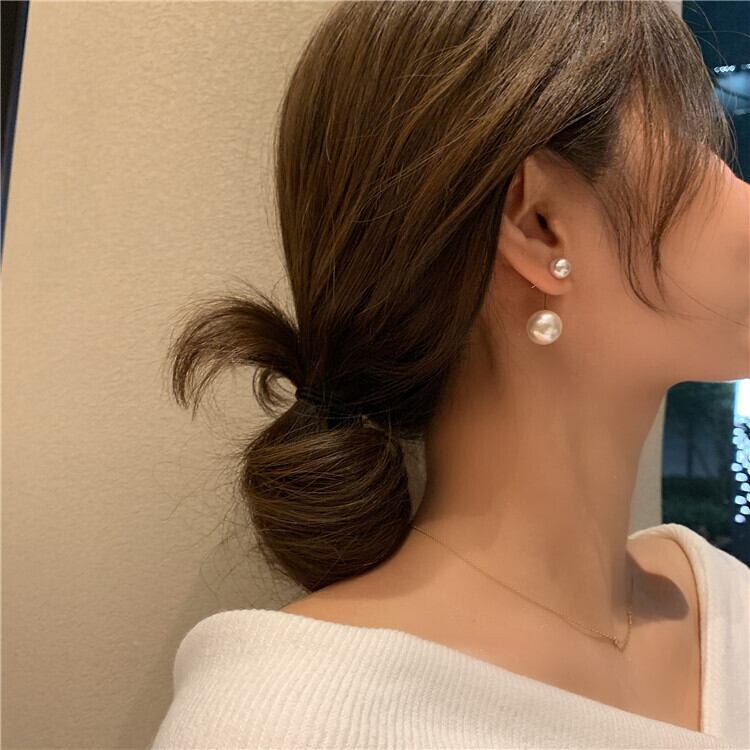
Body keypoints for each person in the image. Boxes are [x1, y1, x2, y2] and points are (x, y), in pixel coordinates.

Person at [151, 1, 750, 747]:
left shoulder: (729, 609)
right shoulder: (287, 721)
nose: (743, 193)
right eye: (701, 145)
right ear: (539, 225)